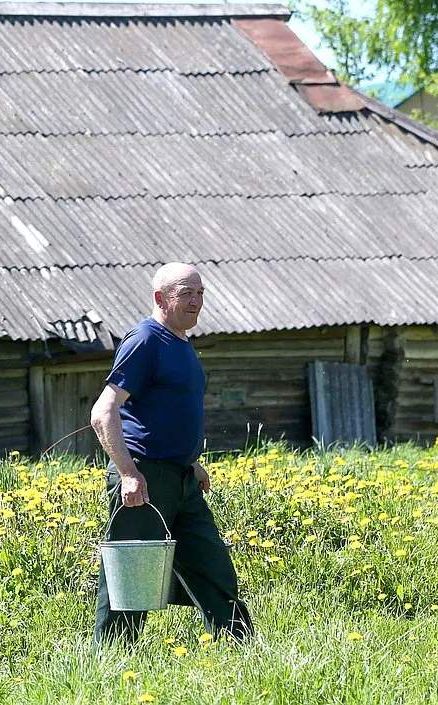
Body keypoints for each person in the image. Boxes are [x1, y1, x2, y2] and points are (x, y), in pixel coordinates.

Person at [89, 262, 253, 644]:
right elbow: (103, 411)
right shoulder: (145, 340)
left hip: (180, 478)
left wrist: (190, 461)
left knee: (212, 566)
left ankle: (246, 654)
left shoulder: (180, 342)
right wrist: (129, 473)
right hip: (145, 477)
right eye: (186, 293)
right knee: (132, 576)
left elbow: (164, 411)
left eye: (200, 293)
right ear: (161, 298)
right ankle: (112, 663)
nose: (196, 302)